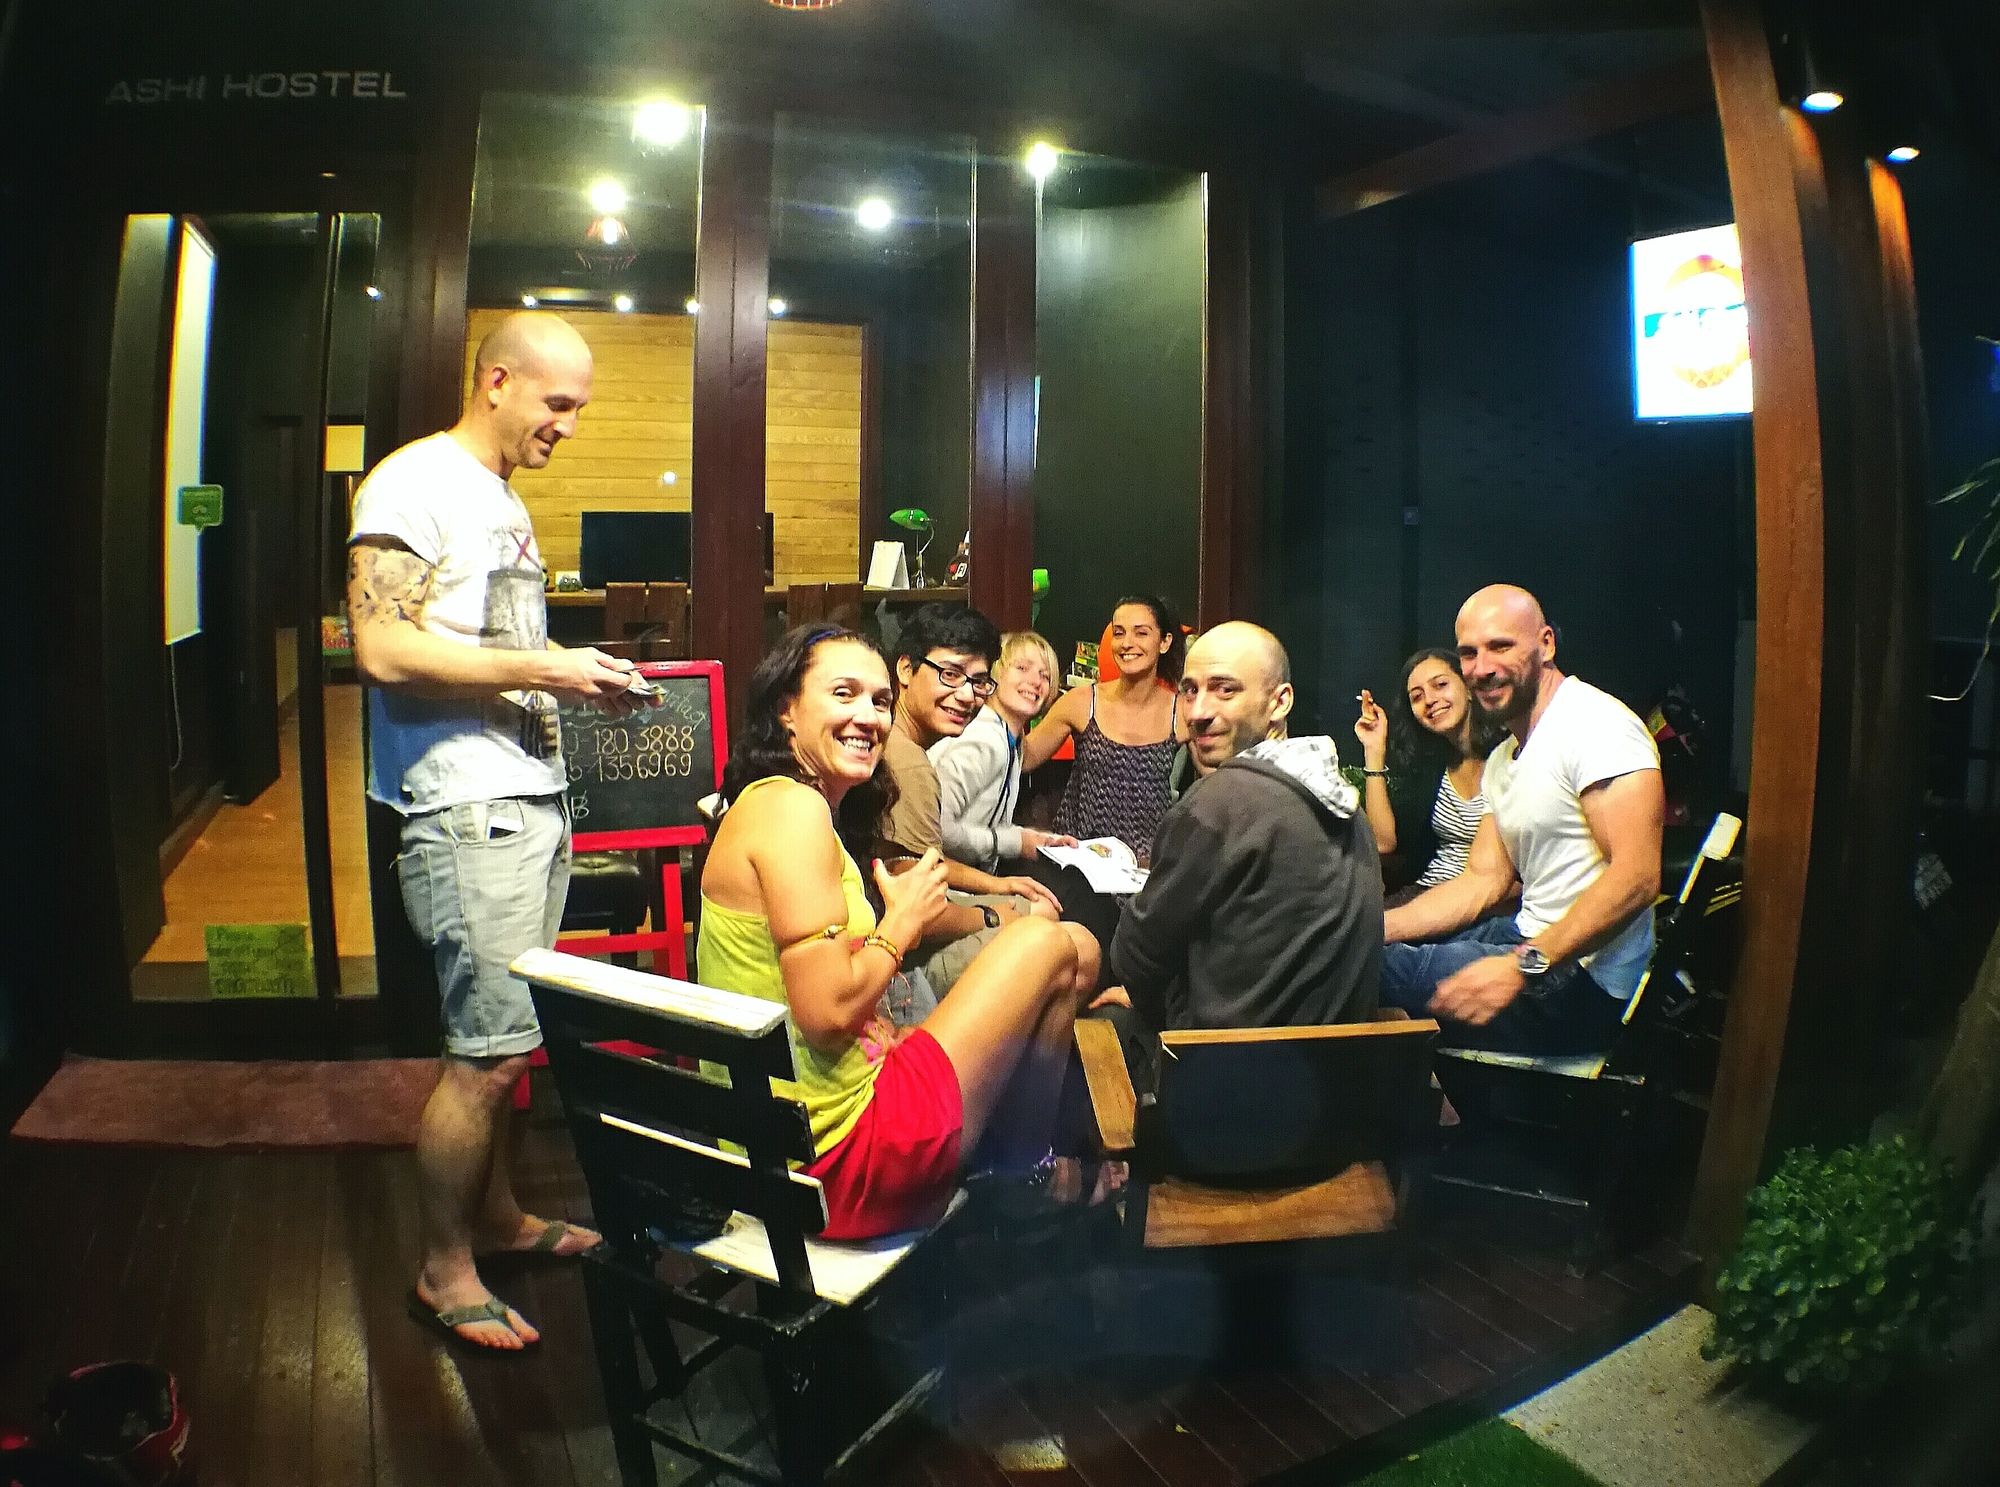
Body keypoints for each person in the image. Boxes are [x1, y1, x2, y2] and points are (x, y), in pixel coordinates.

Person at [348, 311, 645, 1353]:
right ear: (497, 381)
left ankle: (501, 1217)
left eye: (579, 407)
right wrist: (547, 667)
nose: (569, 425)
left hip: (523, 795)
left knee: (510, 1046)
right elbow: (382, 649)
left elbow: (487, 646)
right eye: (558, 403)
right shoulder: (412, 482)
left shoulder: (499, 495)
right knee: (480, 1059)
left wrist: (575, 675)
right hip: (465, 807)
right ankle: (444, 1268)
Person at [697, 625, 1102, 1239]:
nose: (869, 717)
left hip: (786, 1145)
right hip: (839, 1167)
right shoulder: (792, 810)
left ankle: (1023, 1172)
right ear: (786, 709)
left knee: (1074, 949)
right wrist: (902, 924)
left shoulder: (779, 803)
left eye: (880, 700)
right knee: (1046, 941)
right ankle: (1025, 1176)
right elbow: (827, 1013)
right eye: (844, 694)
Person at [1381, 586, 1664, 1055]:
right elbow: (1482, 881)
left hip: (1585, 982)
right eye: (1469, 653)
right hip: (1529, 937)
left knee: (1356, 970)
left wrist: (1522, 966)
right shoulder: (1504, 758)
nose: (1482, 668)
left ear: (1546, 644)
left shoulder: (1596, 726)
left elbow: (1637, 877)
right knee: (1359, 950)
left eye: (1500, 646)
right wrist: (1372, 927)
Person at [1099, 623, 1381, 1058]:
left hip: (1228, 1080)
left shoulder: (1218, 803)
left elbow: (1135, 957)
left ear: (1279, 702)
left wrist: (1158, 1003)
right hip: (1338, 1083)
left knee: (1095, 1021)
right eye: (1190, 691)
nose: (1198, 712)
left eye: (1224, 690)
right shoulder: (1349, 808)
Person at [879, 605, 1067, 1002]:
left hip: (923, 914)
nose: (966, 694)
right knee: (1056, 939)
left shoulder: (1006, 741)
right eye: (950, 674)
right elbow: (919, 902)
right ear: (905, 671)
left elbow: (921, 860)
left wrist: (998, 884)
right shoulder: (936, 755)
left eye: (977, 681)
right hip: (900, 967)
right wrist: (992, 913)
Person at [1023, 595, 1183, 858]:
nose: (1127, 643)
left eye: (1141, 633)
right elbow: (1024, 759)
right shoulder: (1082, 702)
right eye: (1119, 633)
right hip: (1079, 858)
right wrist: (1010, 710)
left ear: (1164, 642)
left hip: (1146, 865)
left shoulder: (1181, 712)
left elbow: (1216, 777)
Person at [1353, 646, 1501, 899]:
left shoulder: (1510, 753)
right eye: (1417, 697)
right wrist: (1374, 749)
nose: (1430, 700)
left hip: (1483, 902)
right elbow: (1383, 844)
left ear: (1468, 688)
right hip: (1425, 893)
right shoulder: (1431, 768)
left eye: (1440, 685)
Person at [929, 629, 1076, 874]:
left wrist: (1036, 840)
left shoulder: (1009, 741)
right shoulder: (983, 739)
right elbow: (937, 829)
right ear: (994, 675)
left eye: (1045, 675)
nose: (1035, 681)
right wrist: (1015, 844)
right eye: (1022, 668)